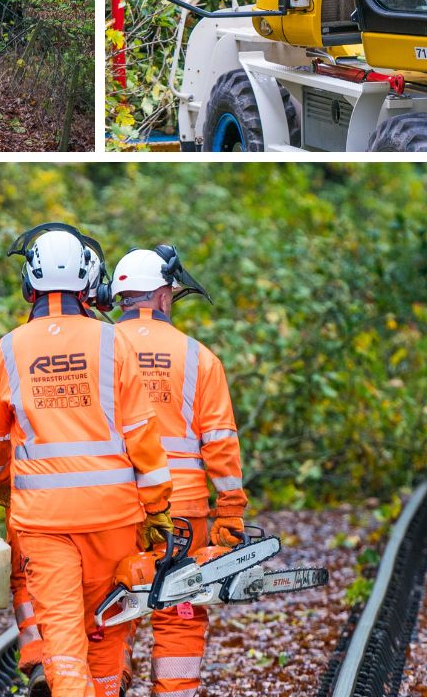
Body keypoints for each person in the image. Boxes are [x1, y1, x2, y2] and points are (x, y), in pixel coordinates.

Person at [0, 225, 173, 697]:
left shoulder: (6, 351)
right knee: (105, 632)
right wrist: (158, 508)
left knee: (61, 640)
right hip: (114, 518)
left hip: (43, 524)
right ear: (89, 283)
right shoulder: (113, 342)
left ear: (29, 285)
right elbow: (143, 435)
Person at [107, 245, 245, 697]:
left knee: (108, 608)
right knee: (179, 611)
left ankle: (106, 684)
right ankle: (175, 690)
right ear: (165, 296)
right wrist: (230, 513)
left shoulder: (98, 351)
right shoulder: (199, 358)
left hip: (114, 510)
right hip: (183, 510)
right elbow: (221, 444)